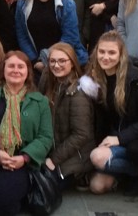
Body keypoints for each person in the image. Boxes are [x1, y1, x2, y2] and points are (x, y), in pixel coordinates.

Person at [79, 32, 138, 195]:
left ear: (121, 55)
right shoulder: (96, 77)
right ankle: (125, 174)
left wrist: (119, 138)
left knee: (97, 157)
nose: (105, 57)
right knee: (96, 187)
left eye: (112, 52)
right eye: (102, 52)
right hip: (112, 138)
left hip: (135, 141)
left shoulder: (137, 80)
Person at [0, 51, 53, 216]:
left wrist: (24, 158)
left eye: (21, 66)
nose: (16, 70)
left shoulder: (40, 101)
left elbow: (46, 137)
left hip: (20, 164)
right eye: (11, 66)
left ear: (28, 71)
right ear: (3, 70)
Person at [15, 0, 89, 70]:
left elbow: (70, 38)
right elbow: (21, 35)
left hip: (63, 61)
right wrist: (35, 60)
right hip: (35, 64)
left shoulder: (66, 3)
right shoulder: (22, 3)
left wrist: (46, 58)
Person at [41, 43, 94, 186]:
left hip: (74, 157)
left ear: (72, 62)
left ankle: (82, 176)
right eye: (52, 61)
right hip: (55, 151)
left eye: (62, 61)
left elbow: (81, 134)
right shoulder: (49, 83)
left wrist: (53, 159)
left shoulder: (78, 92)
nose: (56, 65)